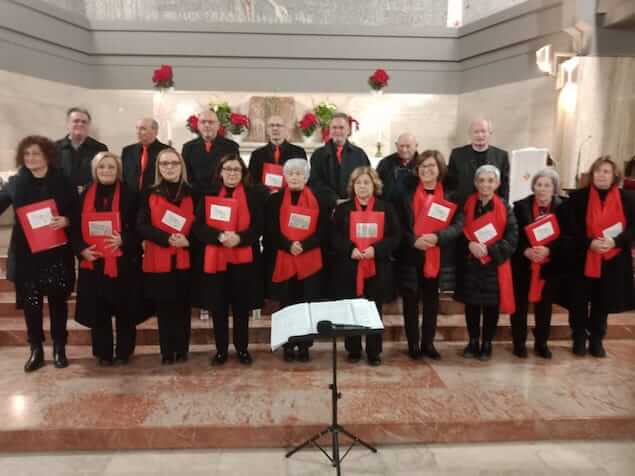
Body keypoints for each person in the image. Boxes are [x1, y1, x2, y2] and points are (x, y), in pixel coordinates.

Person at [0, 136, 77, 372]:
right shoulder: (15, 182)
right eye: (27, 154)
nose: (31, 158)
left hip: (56, 254)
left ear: (47, 155)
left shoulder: (63, 181)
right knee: (32, 305)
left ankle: (59, 348)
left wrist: (67, 220)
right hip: (27, 257)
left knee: (57, 304)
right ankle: (36, 349)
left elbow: (77, 211)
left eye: (36, 153)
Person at [193, 153, 263, 366]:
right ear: (220, 172)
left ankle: (242, 349)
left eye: (236, 169)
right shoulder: (208, 194)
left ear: (243, 173)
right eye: (228, 169)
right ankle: (221, 350)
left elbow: (259, 226)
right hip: (216, 259)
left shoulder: (253, 196)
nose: (232, 173)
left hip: (244, 260)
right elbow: (198, 226)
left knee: (242, 308)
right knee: (219, 308)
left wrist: (240, 238)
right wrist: (220, 236)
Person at [72, 152, 141, 366]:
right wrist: (81, 249)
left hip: (122, 261)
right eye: (102, 167)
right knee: (98, 309)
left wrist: (124, 239)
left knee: (125, 310)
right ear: (95, 171)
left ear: (118, 170)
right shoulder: (84, 195)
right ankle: (103, 353)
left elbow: (140, 227)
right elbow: (74, 229)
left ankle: (124, 352)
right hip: (93, 261)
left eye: (111, 167)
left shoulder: (130, 194)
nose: (106, 171)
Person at [561, 156, 634, 357]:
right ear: (592, 174)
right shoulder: (578, 198)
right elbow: (571, 229)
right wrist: (590, 243)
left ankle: (596, 339)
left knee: (603, 300)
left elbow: (632, 229)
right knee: (579, 300)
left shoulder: (628, 199)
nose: (601, 175)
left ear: (615, 176)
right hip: (583, 257)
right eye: (597, 171)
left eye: (606, 171)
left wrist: (615, 242)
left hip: (613, 260)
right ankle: (578, 337)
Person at [393, 150, 462, 360]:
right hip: (411, 255)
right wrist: (414, 240)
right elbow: (398, 223)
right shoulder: (406, 192)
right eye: (422, 166)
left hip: (438, 255)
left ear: (439, 169)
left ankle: (428, 344)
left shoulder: (451, 193)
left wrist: (437, 237)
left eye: (431, 166)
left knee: (432, 303)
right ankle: (413, 344)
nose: (426, 170)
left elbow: (459, 224)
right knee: (411, 302)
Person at [330, 167, 400, 366]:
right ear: (353, 186)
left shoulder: (386, 208)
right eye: (358, 182)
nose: (362, 186)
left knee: (374, 310)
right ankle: (353, 349)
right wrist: (350, 249)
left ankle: (374, 351)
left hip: (377, 267)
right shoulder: (343, 209)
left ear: (374, 185)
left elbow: (396, 236)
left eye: (366, 182)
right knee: (351, 308)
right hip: (349, 267)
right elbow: (333, 236)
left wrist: (376, 250)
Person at [265, 159, 327, 362]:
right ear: (284, 176)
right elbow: (270, 231)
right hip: (284, 258)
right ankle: (288, 345)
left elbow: (323, 230)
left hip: (309, 259)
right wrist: (288, 245)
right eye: (290, 173)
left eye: (298, 173)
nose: (294, 176)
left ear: (306, 177)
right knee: (286, 304)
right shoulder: (274, 201)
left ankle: (305, 345)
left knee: (306, 304)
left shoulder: (318, 198)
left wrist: (304, 245)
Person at [454, 165, 518, 361]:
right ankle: (473, 341)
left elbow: (512, 237)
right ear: (475, 183)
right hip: (471, 264)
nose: (485, 184)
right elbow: (458, 231)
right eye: (481, 180)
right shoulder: (467, 205)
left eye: (490, 181)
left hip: (493, 266)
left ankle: (487, 343)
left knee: (490, 307)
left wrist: (489, 250)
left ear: (497, 184)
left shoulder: (505, 208)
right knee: (472, 306)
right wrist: (470, 245)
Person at [137, 148, 194, 364]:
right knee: (164, 307)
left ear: (181, 166)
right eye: (164, 164)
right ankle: (167, 351)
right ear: (158, 168)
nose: (169, 167)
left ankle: (182, 349)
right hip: (159, 257)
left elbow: (199, 225)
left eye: (173, 163)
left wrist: (188, 241)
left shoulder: (192, 192)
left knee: (183, 307)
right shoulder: (148, 192)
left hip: (185, 258)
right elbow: (141, 225)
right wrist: (166, 238)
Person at [510, 168, 565, 359]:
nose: (542, 189)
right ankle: (519, 343)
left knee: (545, 306)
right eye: (539, 185)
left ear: (554, 188)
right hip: (524, 263)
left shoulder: (562, 207)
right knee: (520, 306)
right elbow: (513, 235)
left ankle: (542, 343)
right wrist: (526, 251)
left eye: (547, 185)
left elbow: (567, 238)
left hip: (550, 265)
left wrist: (549, 250)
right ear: (533, 186)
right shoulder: (520, 206)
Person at [309, 112, 370, 211]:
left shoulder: (360, 154)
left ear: (348, 130)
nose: (337, 131)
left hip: (354, 206)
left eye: (341, 128)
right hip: (326, 207)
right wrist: (334, 200)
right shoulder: (318, 154)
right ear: (329, 130)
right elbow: (315, 183)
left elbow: (367, 181)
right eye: (334, 127)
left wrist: (352, 200)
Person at [446, 119, 510, 206]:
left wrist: (503, 207)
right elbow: (450, 184)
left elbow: (504, 186)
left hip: (491, 207)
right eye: (476, 132)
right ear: (470, 135)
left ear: (490, 133)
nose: (480, 135)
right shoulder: (457, 154)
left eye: (483, 131)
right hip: (463, 207)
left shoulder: (502, 156)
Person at [182, 110, 239, 197]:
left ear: (218, 125)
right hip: (195, 196)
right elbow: (185, 174)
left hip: (222, 195)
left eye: (211, 122)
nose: (207, 125)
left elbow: (235, 172)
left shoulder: (231, 147)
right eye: (203, 122)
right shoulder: (188, 147)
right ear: (198, 125)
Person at [249, 115, 307, 194]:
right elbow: (252, 181)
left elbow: (303, 178)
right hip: (264, 198)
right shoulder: (256, 154)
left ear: (285, 129)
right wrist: (267, 191)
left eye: (279, 125)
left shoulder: (298, 152)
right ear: (267, 130)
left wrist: (283, 191)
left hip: (290, 195)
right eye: (271, 125)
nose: (275, 128)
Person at [55, 107, 108, 192]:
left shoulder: (100, 148)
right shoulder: (54, 148)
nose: (80, 124)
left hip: (90, 197)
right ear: (68, 124)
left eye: (84, 122)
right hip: (62, 198)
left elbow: (104, 175)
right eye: (76, 121)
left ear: (88, 125)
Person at [122, 118, 170, 193]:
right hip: (131, 198)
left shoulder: (167, 151)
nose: (138, 132)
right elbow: (124, 177)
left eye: (142, 129)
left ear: (155, 131)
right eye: (137, 128)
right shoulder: (127, 151)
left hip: (157, 197)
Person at [376, 133, 418, 202]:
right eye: (401, 146)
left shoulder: (422, 164)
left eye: (408, 146)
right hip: (388, 209)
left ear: (416, 146)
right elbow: (376, 186)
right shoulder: (385, 163)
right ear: (396, 145)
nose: (404, 150)